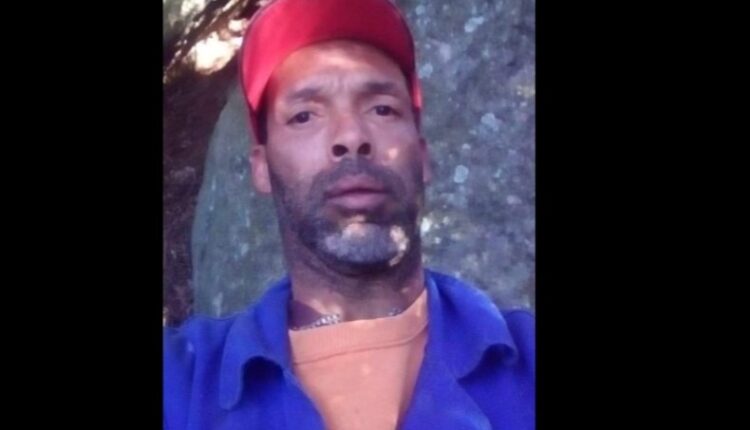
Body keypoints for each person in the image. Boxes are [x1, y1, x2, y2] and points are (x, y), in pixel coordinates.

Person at [163, 0, 534, 429]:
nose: (352, 136)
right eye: (304, 116)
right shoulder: (183, 382)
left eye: (382, 109)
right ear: (262, 168)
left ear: (423, 155)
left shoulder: (526, 360)